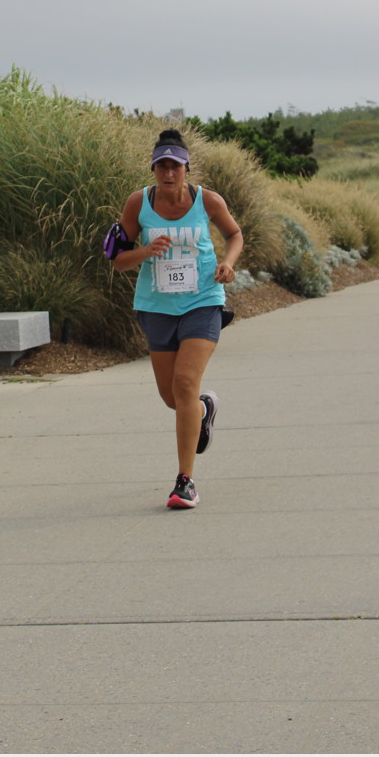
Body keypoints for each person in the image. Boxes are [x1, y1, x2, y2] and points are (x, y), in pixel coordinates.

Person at [111, 128, 243, 509]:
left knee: (185, 384)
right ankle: (203, 410)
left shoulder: (208, 200)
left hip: (203, 301)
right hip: (156, 306)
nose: (169, 173)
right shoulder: (138, 203)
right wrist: (146, 251)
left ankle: (185, 482)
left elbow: (235, 235)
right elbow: (118, 260)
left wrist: (228, 263)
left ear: (187, 168)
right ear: (153, 168)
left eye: (176, 166)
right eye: (162, 166)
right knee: (173, 397)